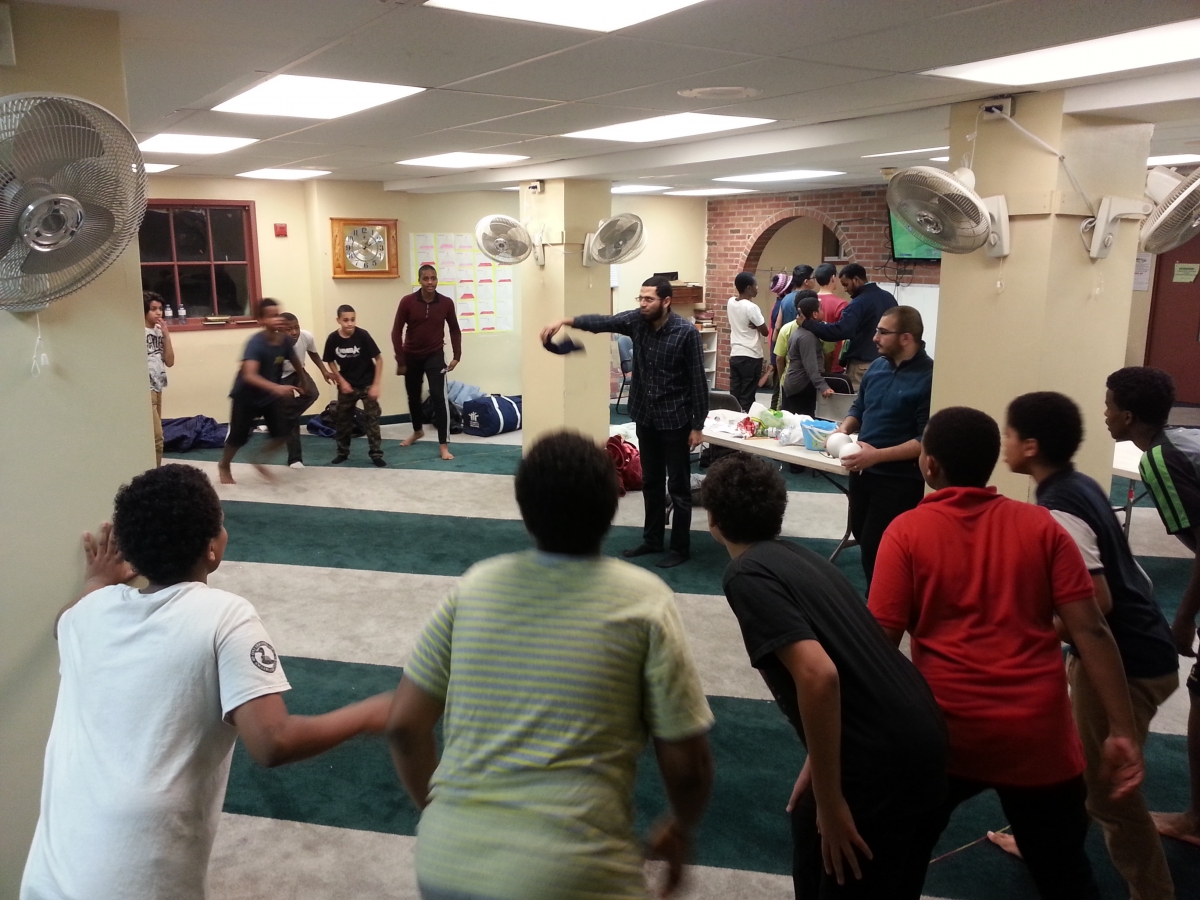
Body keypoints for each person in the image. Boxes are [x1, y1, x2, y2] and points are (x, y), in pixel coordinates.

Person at [20, 464, 391, 900]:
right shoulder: (226, 616)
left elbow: (63, 621)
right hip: (139, 879)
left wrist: (98, 580)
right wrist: (366, 715)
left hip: (48, 876)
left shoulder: (86, 614)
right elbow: (272, 742)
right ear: (212, 549)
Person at [384, 431, 714, 900]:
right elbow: (687, 764)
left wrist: (442, 816)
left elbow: (403, 726)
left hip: (444, 864)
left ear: (524, 508)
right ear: (613, 504)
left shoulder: (473, 587)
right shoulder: (646, 602)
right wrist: (680, 826)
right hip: (576, 874)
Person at [869, 406, 1144, 900]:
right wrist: (1122, 730)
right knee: (1066, 877)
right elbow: (1092, 631)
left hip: (946, 734)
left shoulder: (906, 532)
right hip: (1039, 737)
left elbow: (878, 648)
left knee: (897, 866)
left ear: (929, 465)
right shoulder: (1042, 527)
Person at [705, 452, 948, 899]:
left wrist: (833, 804)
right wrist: (819, 767)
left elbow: (819, 675)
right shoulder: (804, 558)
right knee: (811, 826)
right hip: (923, 734)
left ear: (713, 520)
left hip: (882, 759)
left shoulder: (745, 574)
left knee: (840, 867)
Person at [1003, 390, 1179, 899]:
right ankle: (1048, 847)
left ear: (1030, 446)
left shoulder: (1058, 506)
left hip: (1128, 664)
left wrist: (1038, 629)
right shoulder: (1076, 485)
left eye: (1009, 435)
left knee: (1111, 798)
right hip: (1140, 648)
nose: (1004, 443)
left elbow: (1096, 606)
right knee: (1079, 757)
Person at [540, 276, 708, 568]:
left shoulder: (686, 333)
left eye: (649, 299)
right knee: (651, 482)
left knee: (678, 486)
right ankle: (652, 539)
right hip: (645, 416)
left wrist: (697, 425)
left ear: (666, 301)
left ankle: (680, 548)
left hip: (676, 419)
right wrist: (565, 321)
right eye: (640, 298)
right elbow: (603, 322)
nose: (643, 304)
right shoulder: (636, 321)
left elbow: (698, 381)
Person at [1105, 366, 1200, 849]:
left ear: (1127, 417)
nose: (1104, 414)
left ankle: (1195, 821)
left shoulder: (1159, 459)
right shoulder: (1181, 437)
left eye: (1108, 406)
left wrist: (1183, 621)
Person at [834, 305, 932, 586]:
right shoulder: (877, 367)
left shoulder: (929, 377)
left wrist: (877, 456)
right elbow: (860, 406)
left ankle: (880, 605)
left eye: (882, 332)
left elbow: (925, 440)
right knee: (862, 535)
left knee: (879, 547)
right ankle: (879, 599)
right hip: (863, 472)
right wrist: (844, 429)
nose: (874, 337)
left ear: (906, 338)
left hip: (899, 480)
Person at [217, 299, 304, 485]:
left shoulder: (285, 341)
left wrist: (303, 380)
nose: (277, 319)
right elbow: (249, 375)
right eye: (271, 316)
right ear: (261, 320)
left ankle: (258, 459)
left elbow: (295, 360)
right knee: (237, 438)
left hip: (268, 397)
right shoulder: (255, 343)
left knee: (282, 433)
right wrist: (277, 388)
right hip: (246, 397)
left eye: (278, 315)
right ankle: (224, 464)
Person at [392, 264, 462, 462]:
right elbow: (396, 331)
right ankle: (417, 431)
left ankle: (443, 445)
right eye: (426, 279)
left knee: (439, 398)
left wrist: (457, 355)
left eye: (433, 278)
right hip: (411, 356)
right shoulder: (407, 302)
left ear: (437, 280)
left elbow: (454, 329)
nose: (430, 282)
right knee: (413, 397)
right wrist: (400, 359)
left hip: (435, 356)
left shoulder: (446, 303)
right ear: (420, 281)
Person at [802, 263, 897, 392]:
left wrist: (808, 324)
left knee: (856, 401)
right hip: (888, 363)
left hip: (862, 366)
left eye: (846, 284)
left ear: (856, 280)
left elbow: (841, 330)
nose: (845, 289)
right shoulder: (889, 298)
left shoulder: (859, 303)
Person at [323, 304, 385, 467]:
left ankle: (376, 454)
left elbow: (379, 359)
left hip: (367, 382)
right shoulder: (333, 339)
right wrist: (341, 381)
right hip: (347, 384)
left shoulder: (363, 335)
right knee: (343, 420)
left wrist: (376, 385)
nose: (349, 323)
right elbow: (330, 360)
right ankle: (342, 452)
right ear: (338, 320)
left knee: (372, 419)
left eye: (352, 319)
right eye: (345, 320)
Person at [278, 311, 334, 470]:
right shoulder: (273, 344)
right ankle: (295, 458)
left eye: (296, 327)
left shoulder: (306, 336)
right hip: (278, 377)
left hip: (298, 372)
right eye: (289, 329)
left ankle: (284, 416)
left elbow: (313, 353)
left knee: (312, 393)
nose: (294, 332)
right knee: (290, 416)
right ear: (280, 330)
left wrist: (324, 371)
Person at [781, 294, 834, 418]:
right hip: (801, 387)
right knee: (801, 422)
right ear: (815, 314)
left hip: (795, 384)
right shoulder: (807, 337)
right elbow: (811, 366)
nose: (823, 312)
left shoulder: (801, 332)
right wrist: (823, 387)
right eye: (820, 309)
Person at [726, 271, 768, 413]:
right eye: (756, 285)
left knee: (735, 395)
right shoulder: (751, 307)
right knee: (747, 397)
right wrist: (756, 325)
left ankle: (733, 418)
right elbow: (765, 331)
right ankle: (745, 421)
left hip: (736, 354)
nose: (758, 288)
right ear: (749, 288)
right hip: (751, 355)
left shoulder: (731, 302)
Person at [144, 291, 175, 467]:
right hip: (145, 388)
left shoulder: (158, 331)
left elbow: (170, 362)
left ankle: (155, 470)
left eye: (160, 309)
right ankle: (155, 474)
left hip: (158, 386)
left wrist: (166, 335)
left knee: (156, 435)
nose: (158, 313)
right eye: (153, 309)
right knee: (157, 438)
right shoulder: (138, 332)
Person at [813, 263, 848, 374]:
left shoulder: (809, 301)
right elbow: (845, 334)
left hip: (812, 361)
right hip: (834, 361)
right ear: (833, 278)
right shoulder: (841, 304)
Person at [766, 272, 793, 409]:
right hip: (779, 352)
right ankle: (773, 414)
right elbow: (776, 332)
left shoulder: (778, 304)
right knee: (778, 389)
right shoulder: (781, 306)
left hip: (776, 350)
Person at [773, 264, 817, 336]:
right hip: (804, 339)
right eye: (813, 277)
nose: (815, 280)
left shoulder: (785, 299)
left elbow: (777, 327)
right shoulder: (810, 299)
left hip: (787, 339)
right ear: (806, 281)